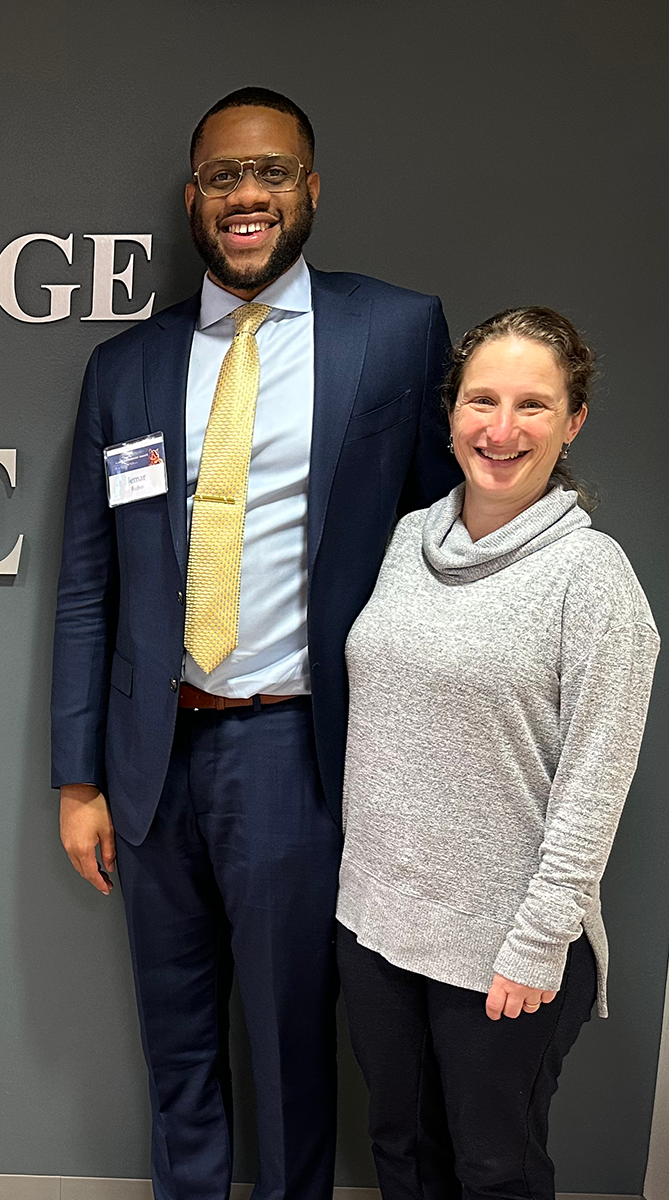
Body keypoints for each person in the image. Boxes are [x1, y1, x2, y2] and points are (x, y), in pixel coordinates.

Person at [50, 86, 461, 1200]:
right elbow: (89, 586)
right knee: (175, 1048)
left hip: (298, 755)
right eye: (224, 176)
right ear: (194, 199)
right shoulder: (124, 369)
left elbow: (438, 546)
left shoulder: (393, 332)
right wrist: (78, 777)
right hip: (151, 762)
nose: (247, 195)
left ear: (309, 191)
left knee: (286, 1048)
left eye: (270, 172)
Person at [336, 307, 658, 1199]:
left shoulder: (593, 580)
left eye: (533, 405)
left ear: (574, 420)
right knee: (401, 1151)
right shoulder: (408, 542)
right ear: (451, 414)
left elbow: (596, 785)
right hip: (377, 925)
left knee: (494, 1171)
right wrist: (357, 900)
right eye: (483, 400)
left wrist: (537, 941)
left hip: (503, 949)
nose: (502, 430)